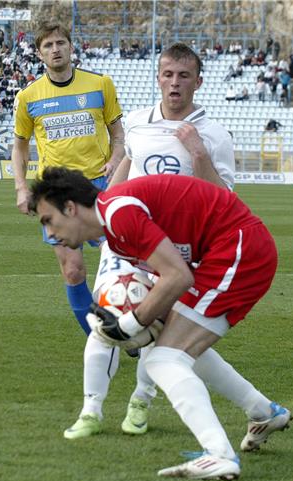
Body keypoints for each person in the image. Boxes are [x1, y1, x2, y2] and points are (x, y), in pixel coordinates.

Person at [29, 167, 291, 481]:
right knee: (171, 347)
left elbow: (178, 276)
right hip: (231, 250)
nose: (50, 234)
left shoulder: (119, 214)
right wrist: (139, 321)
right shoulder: (116, 230)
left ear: (70, 208)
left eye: (48, 220)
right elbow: (171, 276)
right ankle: (263, 413)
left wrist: (128, 324)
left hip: (237, 249)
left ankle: (219, 454)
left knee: (165, 358)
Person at [64, 43, 245, 442]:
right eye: (168, 74)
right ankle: (91, 409)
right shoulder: (137, 121)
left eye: (183, 76)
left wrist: (198, 153)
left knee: (157, 329)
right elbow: (127, 162)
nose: (175, 83)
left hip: (177, 249)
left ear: (198, 82)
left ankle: (141, 401)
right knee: (103, 320)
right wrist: (103, 214)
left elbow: (227, 202)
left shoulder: (214, 135)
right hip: (127, 238)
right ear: (158, 78)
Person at [12, 21, 125, 336]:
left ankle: (126, 326)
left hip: (98, 187)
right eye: (48, 46)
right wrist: (22, 188)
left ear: (71, 47)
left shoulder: (100, 84)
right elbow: (19, 149)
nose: (55, 49)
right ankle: (99, 340)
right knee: (73, 271)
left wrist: (116, 160)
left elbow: (118, 135)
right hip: (55, 195)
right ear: (39, 53)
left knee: (115, 265)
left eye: (60, 43)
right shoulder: (29, 96)